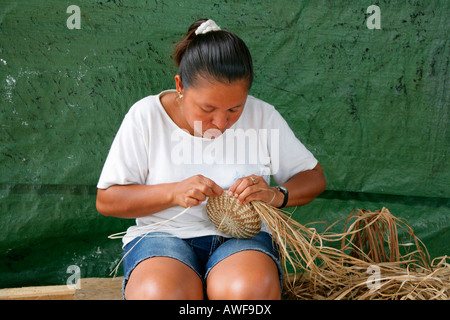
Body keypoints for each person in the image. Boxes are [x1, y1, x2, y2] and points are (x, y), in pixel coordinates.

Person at [96, 19, 326, 300]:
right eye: (207, 108)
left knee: (247, 291)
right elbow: (107, 200)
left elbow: (313, 177)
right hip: (163, 238)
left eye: (234, 108)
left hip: (242, 239)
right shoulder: (146, 116)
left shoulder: (262, 116)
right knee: (159, 293)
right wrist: (173, 192)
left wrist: (276, 195)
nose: (221, 121)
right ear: (180, 86)